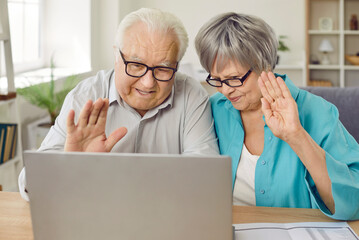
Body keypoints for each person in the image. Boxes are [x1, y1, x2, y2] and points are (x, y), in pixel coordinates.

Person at [19, 8, 219, 200]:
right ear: (116, 56)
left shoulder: (191, 95)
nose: (148, 82)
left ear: (177, 66)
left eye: (163, 69)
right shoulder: (86, 95)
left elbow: (205, 176)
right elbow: (29, 182)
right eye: (136, 65)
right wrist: (69, 163)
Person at [195, 12, 359, 220]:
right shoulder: (212, 110)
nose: (225, 91)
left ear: (264, 65)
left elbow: (354, 204)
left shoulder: (317, 111)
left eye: (234, 79)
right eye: (217, 79)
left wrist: (296, 136)